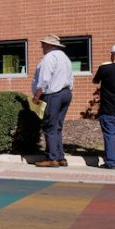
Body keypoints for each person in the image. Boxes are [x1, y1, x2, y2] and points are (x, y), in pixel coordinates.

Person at [32, 34, 74, 168]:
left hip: (53, 94)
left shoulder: (49, 57)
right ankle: (60, 157)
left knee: (50, 126)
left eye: (43, 44)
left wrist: (37, 96)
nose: (42, 46)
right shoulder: (65, 58)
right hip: (66, 92)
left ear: (50, 45)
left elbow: (44, 79)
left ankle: (52, 158)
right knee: (57, 127)